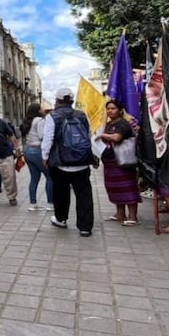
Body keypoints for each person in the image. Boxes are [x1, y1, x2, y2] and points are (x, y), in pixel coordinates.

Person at [42, 88, 96, 236]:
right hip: (82, 162)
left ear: (58, 100)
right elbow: (89, 135)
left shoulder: (52, 116)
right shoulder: (82, 115)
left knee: (60, 193)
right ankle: (85, 227)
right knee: (84, 194)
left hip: (60, 162)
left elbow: (48, 139)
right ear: (71, 101)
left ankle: (61, 219)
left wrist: (45, 157)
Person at [98, 99, 141, 225]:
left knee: (128, 188)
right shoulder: (109, 124)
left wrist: (102, 136)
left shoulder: (123, 124)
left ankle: (133, 217)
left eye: (113, 108)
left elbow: (117, 137)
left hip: (123, 162)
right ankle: (120, 214)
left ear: (120, 110)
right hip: (111, 162)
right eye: (108, 109)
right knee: (115, 188)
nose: (110, 111)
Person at [20, 103, 52, 212]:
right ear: (38, 110)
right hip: (37, 150)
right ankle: (50, 204)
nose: (43, 109)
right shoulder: (39, 120)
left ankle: (32, 203)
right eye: (41, 108)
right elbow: (42, 135)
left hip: (28, 150)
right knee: (49, 176)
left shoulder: (27, 121)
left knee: (34, 178)